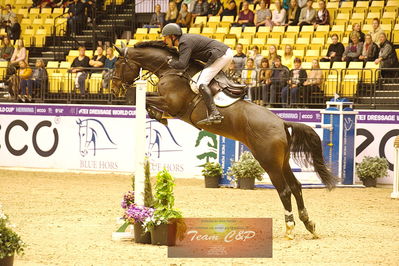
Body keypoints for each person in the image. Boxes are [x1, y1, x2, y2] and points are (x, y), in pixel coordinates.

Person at [162, 23, 233, 125]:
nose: (164, 41)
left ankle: (214, 113)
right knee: (212, 82)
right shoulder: (185, 41)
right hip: (225, 53)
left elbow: (182, 65)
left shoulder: (184, 43)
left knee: (200, 83)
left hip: (220, 55)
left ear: (173, 36)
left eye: (166, 38)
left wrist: (170, 62)